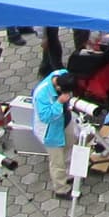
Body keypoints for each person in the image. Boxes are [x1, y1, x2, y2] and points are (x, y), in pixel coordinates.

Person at [33, 68, 79, 198]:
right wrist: (59, 103)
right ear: (57, 86)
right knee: (57, 161)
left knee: (70, 145)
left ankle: (69, 174)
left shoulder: (62, 74)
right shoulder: (42, 93)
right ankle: (61, 189)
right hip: (50, 131)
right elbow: (46, 116)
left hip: (65, 121)